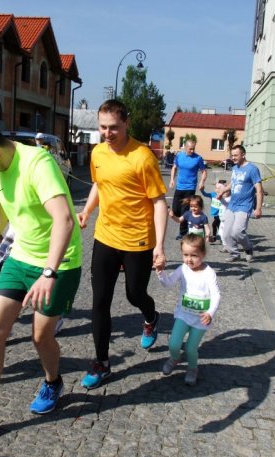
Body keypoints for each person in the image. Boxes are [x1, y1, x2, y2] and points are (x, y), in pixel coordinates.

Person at [0, 121, 82, 438]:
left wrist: (49, 272)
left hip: (59, 262)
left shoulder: (38, 164)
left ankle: (53, 382)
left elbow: (64, 219)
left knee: (41, 337)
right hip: (21, 258)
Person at [77, 99, 168, 390]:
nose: (107, 133)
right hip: (105, 236)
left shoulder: (143, 157)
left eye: (113, 127)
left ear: (127, 123)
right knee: (100, 302)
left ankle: (151, 317)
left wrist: (160, 246)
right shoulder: (97, 152)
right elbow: (99, 184)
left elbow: (159, 202)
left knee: (134, 294)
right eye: (103, 127)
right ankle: (101, 363)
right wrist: (87, 211)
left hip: (138, 239)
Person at [154, 234, 221, 385]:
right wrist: (161, 272)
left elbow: (216, 295)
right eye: (185, 255)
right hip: (183, 315)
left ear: (203, 254)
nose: (189, 259)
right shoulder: (183, 269)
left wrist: (210, 312)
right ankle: (174, 358)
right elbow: (168, 283)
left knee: (191, 348)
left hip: (200, 319)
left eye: (194, 255)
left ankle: (192, 369)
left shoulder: (209, 273)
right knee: (173, 343)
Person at [218, 145, 263, 262]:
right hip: (232, 205)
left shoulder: (252, 169)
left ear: (243, 155)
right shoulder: (235, 168)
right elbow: (233, 183)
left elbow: (259, 190)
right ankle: (234, 254)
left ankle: (248, 248)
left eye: (236, 155)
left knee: (237, 231)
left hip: (245, 205)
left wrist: (258, 208)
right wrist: (223, 190)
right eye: (232, 155)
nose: (233, 158)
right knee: (226, 233)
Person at [169, 139, 207, 240]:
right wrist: (172, 179)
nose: (192, 151)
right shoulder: (179, 156)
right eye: (190, 149)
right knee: (176, 210)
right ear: (185, 147)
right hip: (179, 187)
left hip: (190, 188)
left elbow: (204, 171)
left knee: (184, 211)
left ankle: (183, 233)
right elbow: (174, 167)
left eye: (193, 149)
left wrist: (202, 182)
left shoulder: (198, 158)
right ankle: (185, 224)